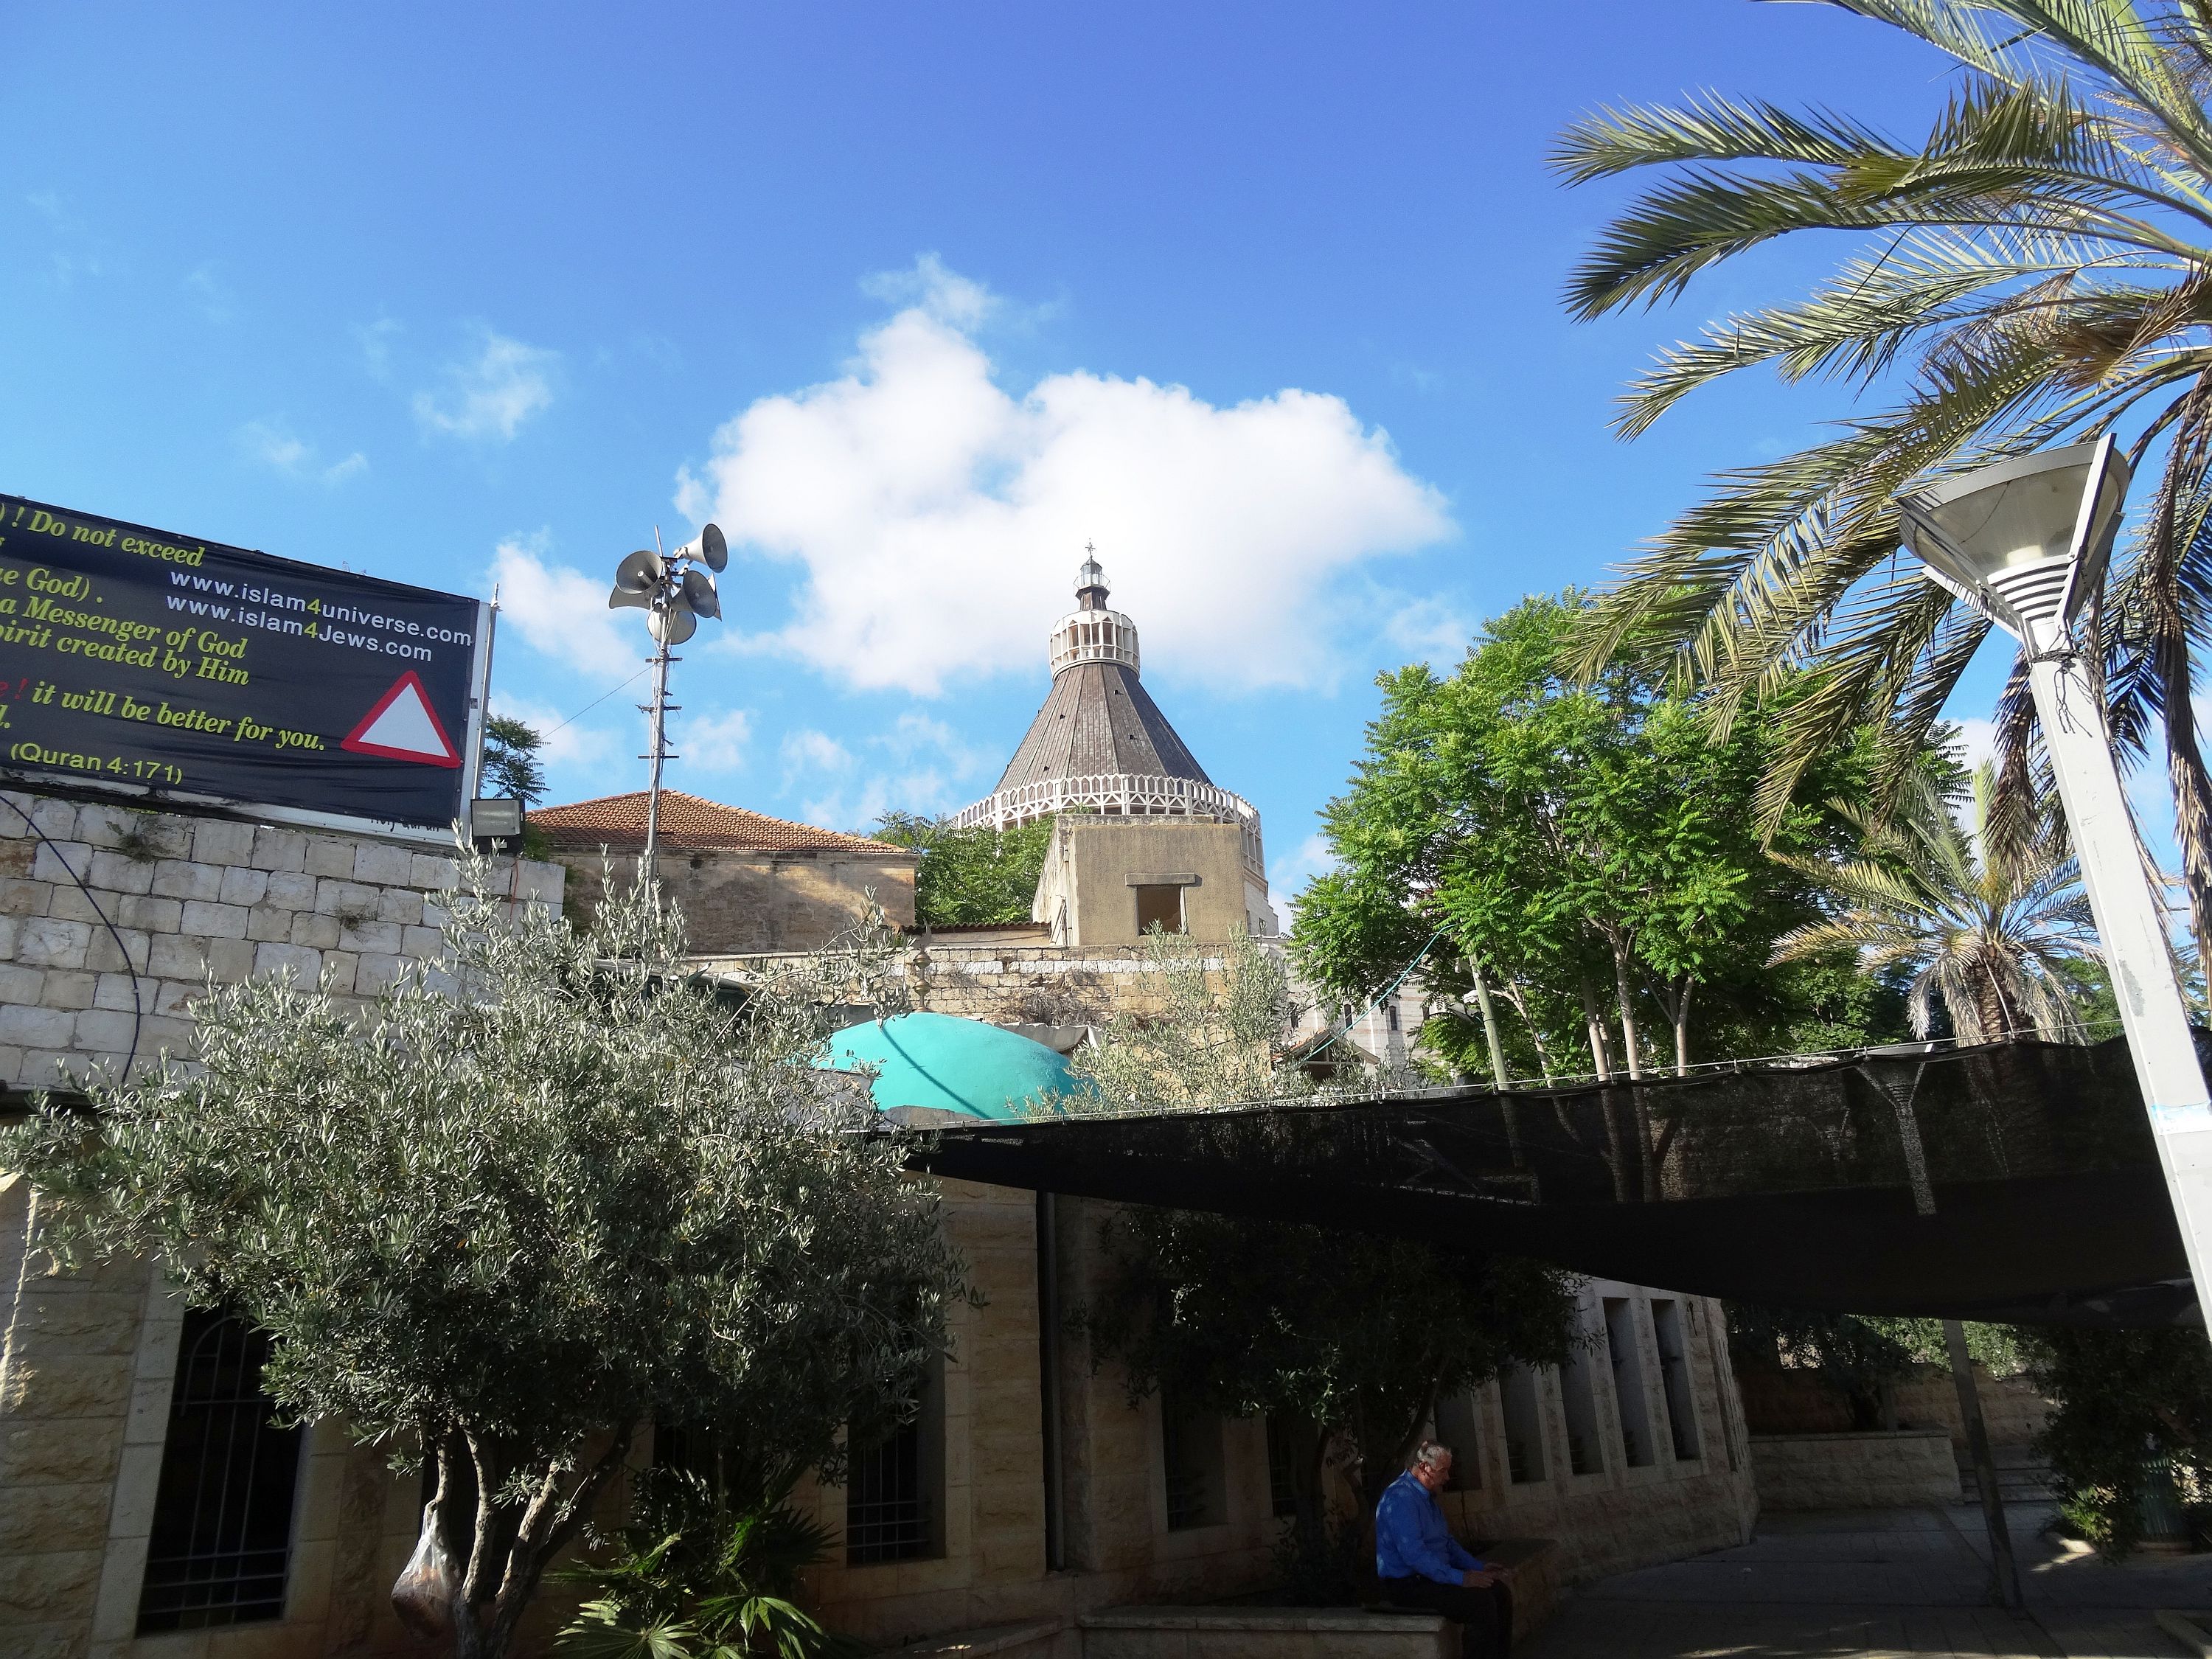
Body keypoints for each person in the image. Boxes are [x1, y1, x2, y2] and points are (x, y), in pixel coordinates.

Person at [1374, 1440, 1512, 1658]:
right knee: (1481, 1604)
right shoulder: (1400, 1498)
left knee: (1499, 1592)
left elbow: (1446, 1543)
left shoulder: (1428, 1499)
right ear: (1424, 1468)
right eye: (1443, 1471)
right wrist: (1460, 1578)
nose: (1447, 1477)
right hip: (1408, 1585)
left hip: (1431, 1578)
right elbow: (1415, 1556)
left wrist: (1478, 1567)